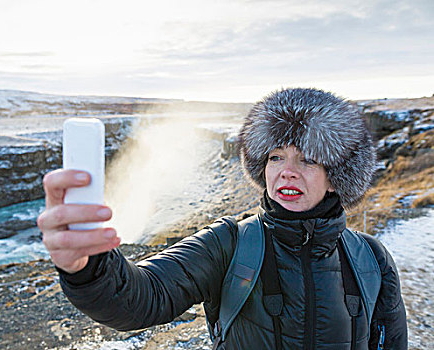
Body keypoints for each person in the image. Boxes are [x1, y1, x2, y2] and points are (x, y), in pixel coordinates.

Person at [37, 88, 407, 349]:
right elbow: (143, 296)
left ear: (335, 178)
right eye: (276, 157)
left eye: (307, 159)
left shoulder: (370, 259)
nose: (287, 172)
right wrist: (89, 268)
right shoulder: (230, 243)